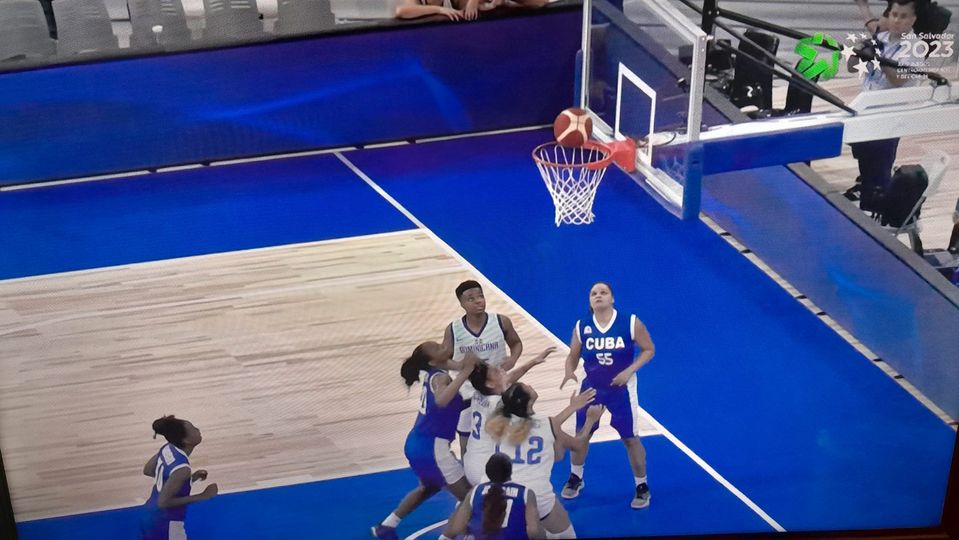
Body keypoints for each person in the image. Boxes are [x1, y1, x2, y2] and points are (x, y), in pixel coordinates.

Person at [559, 281, 655, 509]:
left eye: (603, 292)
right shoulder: (582, 325)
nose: (598, 295)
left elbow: (649, 349)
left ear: (612, 298)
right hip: (592, 387)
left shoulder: (630, 322)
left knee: (630, 438)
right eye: (594, 293)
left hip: (621, 389)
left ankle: (642, 486)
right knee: (582, 434)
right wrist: (568, 371)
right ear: (589, 300)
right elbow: (573, 355)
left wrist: (629, 371)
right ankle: (576, 477)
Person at [372, 342, 478, 540]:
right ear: (432, 361)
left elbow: (454, 365)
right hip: (432, 448)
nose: (443, 347)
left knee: (429, 487)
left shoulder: (435, 372)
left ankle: (387, 525)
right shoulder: (440, 377)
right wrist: (466, 372)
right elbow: (442, 400)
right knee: (470, 498)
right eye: (438, 349)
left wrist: (465, 365)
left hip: (415, 443)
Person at [484, 382, 603, 539]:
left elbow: (545, 426)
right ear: (528, 402)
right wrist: (590, 420)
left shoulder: (497, 423)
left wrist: (572, 407)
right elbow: (577, 445)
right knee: (566, 534)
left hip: (497, 491)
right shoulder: (547, 424)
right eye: (527, 387)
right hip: (536, 494)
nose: (529, 384)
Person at [845, 0, 923, 212]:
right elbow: (852, 68)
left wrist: (879, 56)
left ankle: (878, 213)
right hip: (866, 110)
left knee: (879, 170)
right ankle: (867, 202)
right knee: (865, 164)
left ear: (913, 20)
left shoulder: (915, 46)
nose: (897, 20)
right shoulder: (881, 38)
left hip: (889, 117)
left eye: (903, 16)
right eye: (894, 15)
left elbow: (898, 79)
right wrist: (858, 51)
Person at [443, 280, 523, 456]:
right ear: (461, 303)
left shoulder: (501, 321)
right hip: (467, 392)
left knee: (502, 438)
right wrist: (460, 366)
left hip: (496, 389)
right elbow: (443, 360)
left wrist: (513, 359)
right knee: (467, 440)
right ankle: (469, 468)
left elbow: (516, 343)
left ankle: (503, 469)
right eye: (471, 298)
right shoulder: (453, 330)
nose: (478, 301)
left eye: (480, 296)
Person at [462, 347, 556, 487]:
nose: (501, 370)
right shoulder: (498, 402)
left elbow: (507, 380)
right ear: (490, 383)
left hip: (469, 462)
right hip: (485, 466)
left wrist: (532, 362)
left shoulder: (479, 393)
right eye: (496, 371)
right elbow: (514, 392)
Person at [141, 415, 217, 540]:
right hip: (166, 524)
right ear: (186, 440)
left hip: (149, 514)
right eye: (193, 429)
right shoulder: (182, 469)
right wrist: (203, 496)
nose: (198, 429)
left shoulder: (168, 447)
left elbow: (148, 470)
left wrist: (189, 479)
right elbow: (163, 503)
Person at [439, 453, 543, 540]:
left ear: (487, 471)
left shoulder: (476, 491)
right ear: (510, 471)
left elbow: (457, 527)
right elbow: (534, 531)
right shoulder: (525, 493)